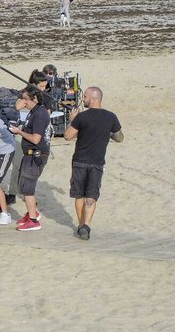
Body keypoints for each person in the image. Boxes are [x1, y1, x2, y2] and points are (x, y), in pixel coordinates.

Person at [64, 87, 123, 240]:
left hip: (80, 161)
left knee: (79, 195)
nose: (83, 99)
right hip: (97, 162)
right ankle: (87, 225)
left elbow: (67, 136)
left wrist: (72, 121)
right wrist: (108, 131)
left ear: (94, 98)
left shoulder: (81, 117)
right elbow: (119, 138)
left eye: (85, 96)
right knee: (91, 196)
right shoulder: (111, 117)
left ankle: (80, 224)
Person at [8, 86, 51, 231]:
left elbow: (36, 138)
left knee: (28, 189)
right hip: (30, 154)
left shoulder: (39, 114)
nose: (23, 102)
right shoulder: (33, 112)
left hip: (36, 155)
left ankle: (33, 220)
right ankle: (32, 213)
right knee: (24, 185)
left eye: (25, 99)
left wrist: (19, 131)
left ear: (35, 98)